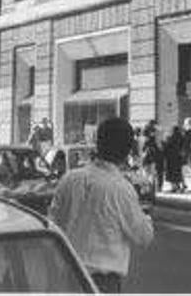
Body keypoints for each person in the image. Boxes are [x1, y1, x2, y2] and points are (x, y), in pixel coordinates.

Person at [49, 117, 154, 292]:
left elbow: (53, 222)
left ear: (97, 143)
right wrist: (147, 218)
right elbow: (143, 237)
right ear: (127, 150)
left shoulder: (69, 179)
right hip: (100, 283)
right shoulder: (122, 189)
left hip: (65, 275)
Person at [140, 120, 164, 193]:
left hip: (148, 154)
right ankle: (153, 188)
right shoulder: (156, 132)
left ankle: (146, 188)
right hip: (154, 154)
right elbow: (159, 143)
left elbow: (142, 144)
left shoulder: (145, 134)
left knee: (147, 172)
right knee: (153, 172)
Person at [163, 126, 186, 193]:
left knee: (172, 173)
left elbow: (167, 146)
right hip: (178, 158)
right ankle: (179, 186)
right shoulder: (181, 137)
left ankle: (175, 187)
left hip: (171, 158)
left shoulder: (171, 137)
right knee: (178, 172)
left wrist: (164, 142)